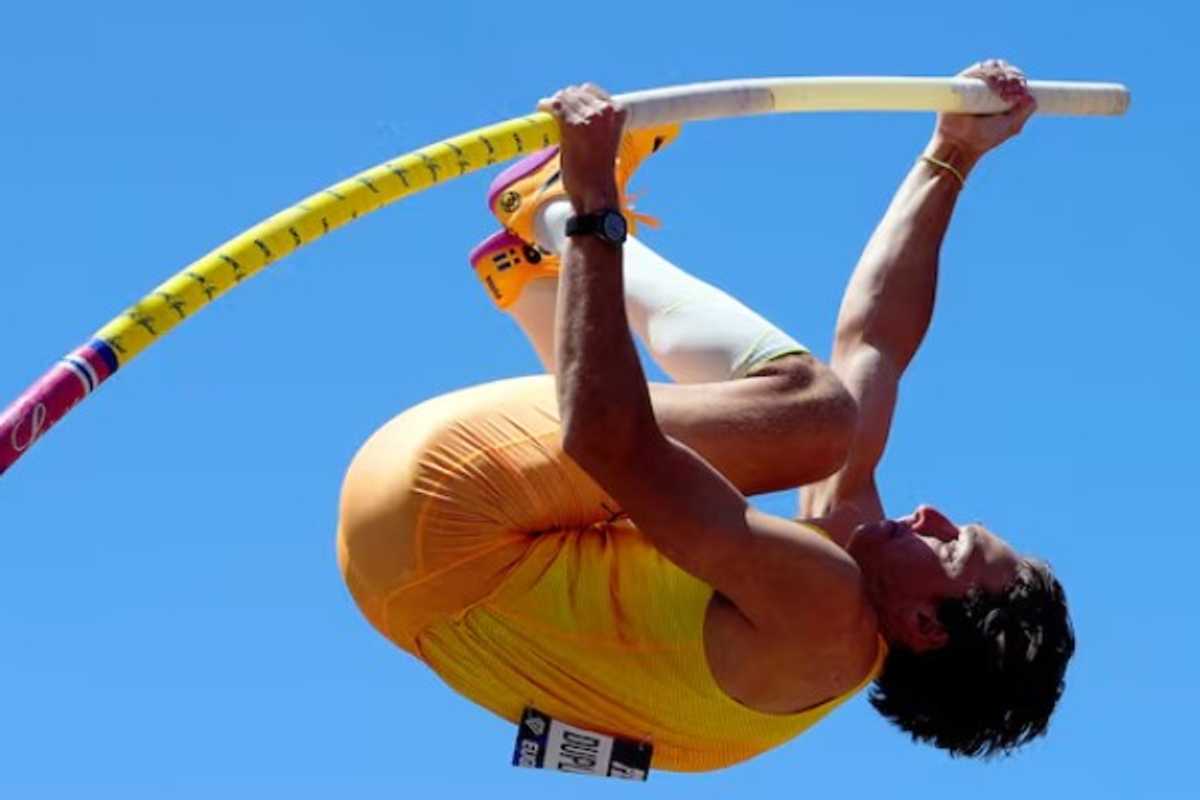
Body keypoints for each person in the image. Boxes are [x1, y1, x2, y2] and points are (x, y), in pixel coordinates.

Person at [336, 60, 1074, 773]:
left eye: (952, 546)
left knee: (815, 418)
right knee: (786, 441)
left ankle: (549, 209)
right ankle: (533, 282)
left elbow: (607, 442)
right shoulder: (809, 655)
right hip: (395, 577)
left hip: (444, 501)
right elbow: (872, 343)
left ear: (924, 626)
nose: (931, 514)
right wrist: (952, 153)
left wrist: (593, 210)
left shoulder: (825, 610)